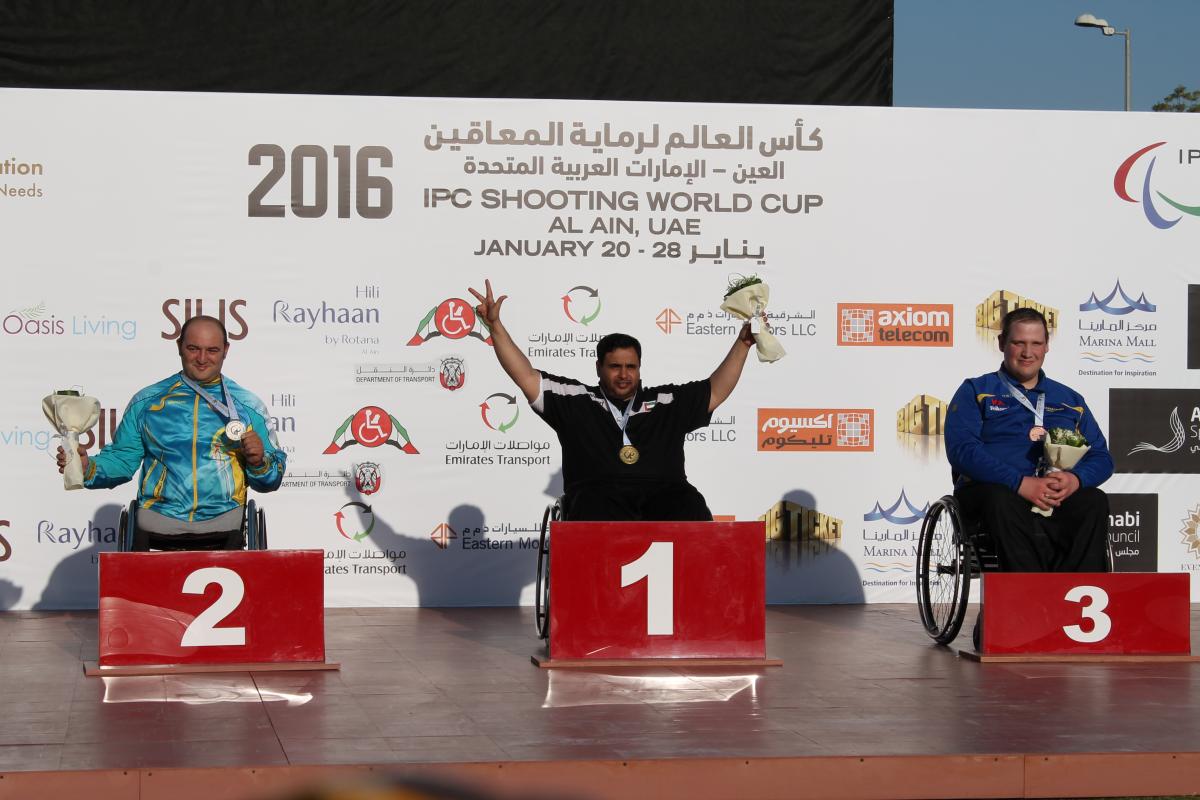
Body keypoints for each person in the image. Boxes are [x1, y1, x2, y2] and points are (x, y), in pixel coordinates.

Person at [468, 279, 755, 521]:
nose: (623, 375)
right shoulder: (576, 400)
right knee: (590, 504)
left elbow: (716, 390)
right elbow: (525, 376)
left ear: (640, 368)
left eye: (631, 367)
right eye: (615, 366)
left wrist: (743, 344)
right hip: (597, 498)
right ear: (599, 368)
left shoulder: (666, 401)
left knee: (690, 504)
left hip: (665, 496)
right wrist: (495, 327)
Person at [55, 315, 285, 550]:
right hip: (158, 522)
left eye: (212, 350)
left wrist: (259, 462)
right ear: (179, 347)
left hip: (225, 523)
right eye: (193, 348)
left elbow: (272, 479)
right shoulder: (147, 402)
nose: (202, 359)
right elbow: (123, 459)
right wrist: (87, 468)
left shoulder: (248, 407)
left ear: (226, 350)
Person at [945, 307, 1112, 574]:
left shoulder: (1070, 399)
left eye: (1036, 343)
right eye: (1018, 343)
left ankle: (1073, 599)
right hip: (995, 492)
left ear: (1047, 347)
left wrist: (1074, 480)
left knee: (1093, 500)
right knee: (1000, 499)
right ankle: (1028, 600)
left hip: (1055, 495)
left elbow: (1101, 457)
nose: (1027, 352)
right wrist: (1019, 483)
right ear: (1001, 343)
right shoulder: (976, 390)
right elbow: (962, 451)